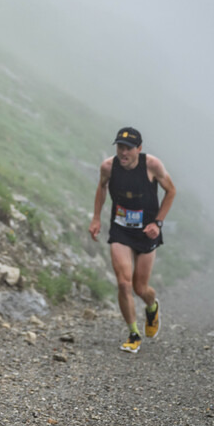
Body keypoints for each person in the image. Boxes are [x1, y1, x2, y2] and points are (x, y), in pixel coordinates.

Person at [89, 127, 176, 353]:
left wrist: (157, 223)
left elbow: (171, 191)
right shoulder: (108, 166)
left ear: (139, 149)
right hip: (121, 230)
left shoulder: (152, 166)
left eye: (128, 148)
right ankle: (133, 333)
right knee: (123, 283)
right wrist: (96, 218)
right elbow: (102, 187)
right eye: (120, 147)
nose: (123, 153)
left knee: (140, 287)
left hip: (147, 232)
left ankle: (152, 306)